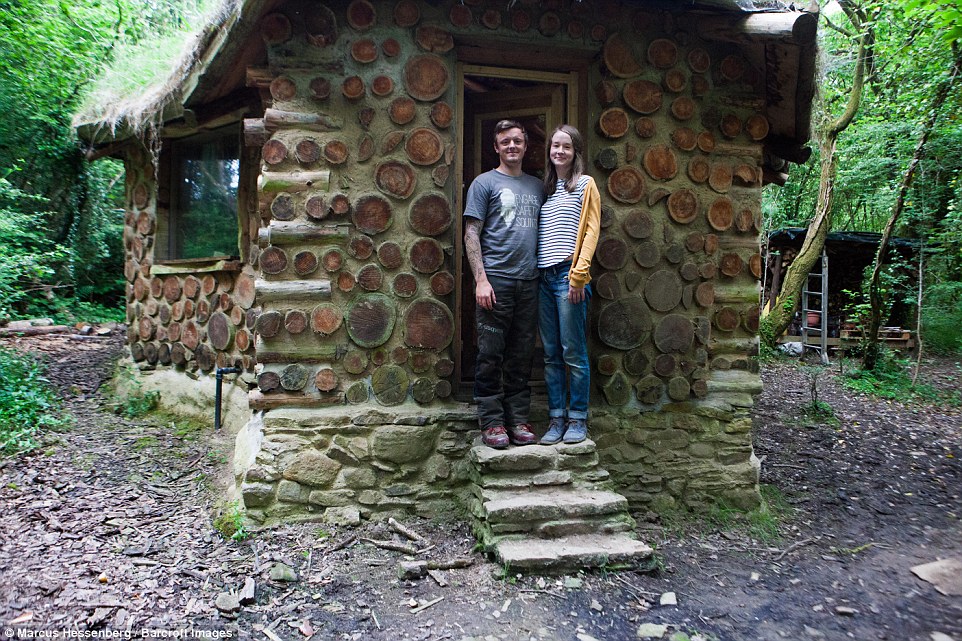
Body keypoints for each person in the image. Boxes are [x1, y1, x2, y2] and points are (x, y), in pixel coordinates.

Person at [463, 120, 545, 449]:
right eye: (505, 142)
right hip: (496, 280)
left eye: (517, 141)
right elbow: (471, 232)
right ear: (495, 148)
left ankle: (519, 419)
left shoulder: (538, 186)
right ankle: (493, 422)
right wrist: (480, 280)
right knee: (490, 354)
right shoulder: (484, 184)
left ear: (526, 147)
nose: (512, 146)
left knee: (521, 355)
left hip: (529, 281)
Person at [536, 124, 601, 445]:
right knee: (550, 354)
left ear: (575, 151)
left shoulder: (586, 185)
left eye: (566, 146)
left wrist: (579, 275)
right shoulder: (546, 188)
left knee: (572, 351)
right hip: (543, 279)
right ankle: (556, 418)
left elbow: (591, 232)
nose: (559, 151)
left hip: (568, 277)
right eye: (554, 146)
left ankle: (577, 419)